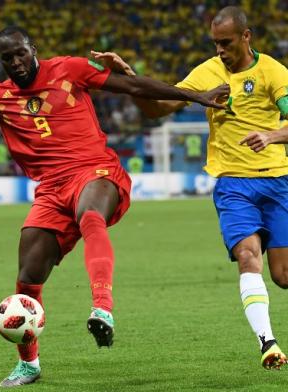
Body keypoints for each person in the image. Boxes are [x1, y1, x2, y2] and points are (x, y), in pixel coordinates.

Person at [0, 26, 228, 387]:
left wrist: (197, 96)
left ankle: (103, 307)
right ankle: (29, 364)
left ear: (32, 49)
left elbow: (133, 86)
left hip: (95, 170)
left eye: (20, 53)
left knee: (90, 217)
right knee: (27, 278)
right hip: (51, 191)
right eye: (7, 58)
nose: (16, 62)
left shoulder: (71, 69)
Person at [93, 6, 288, 370]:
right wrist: (131, 79)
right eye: (215, 43)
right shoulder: (207, 71)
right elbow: (158, 108)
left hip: (278, 182)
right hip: (233, 186)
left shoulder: (274, 73)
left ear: (246, 37)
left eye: (226, 43)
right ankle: (268, 343)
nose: (220, 50)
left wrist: (272, 135)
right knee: (248, 257)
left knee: (283, 276)